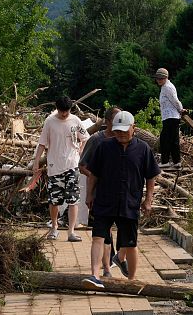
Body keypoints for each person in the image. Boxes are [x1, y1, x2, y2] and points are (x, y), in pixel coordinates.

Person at [83, 111, 161, 288]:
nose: (120, 134)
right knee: (98, 237)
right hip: (104, 200)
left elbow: (151, 178)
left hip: (130, 202)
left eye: (124, 131)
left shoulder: (143, 149)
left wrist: (148, 200)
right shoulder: (104, 146)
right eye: (117, 131)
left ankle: (132, 281)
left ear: (133, 128)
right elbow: (93, 174)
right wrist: (89, 195)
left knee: (130, 243)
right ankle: (95, 275)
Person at [34, 95, 89, 242]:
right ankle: (54, 227)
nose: (64, 114)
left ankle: (71, 231)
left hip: (72, 165)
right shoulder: (50, 121)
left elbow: (85, 138)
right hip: (54, 166)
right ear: (57, 109)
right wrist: (36, 162)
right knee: (54, 200)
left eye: (66, 111)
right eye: (61, 111)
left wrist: (80, 151)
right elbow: (42, 143)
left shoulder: (75, 120)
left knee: (73, 199)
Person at [78, 106, 122, 278]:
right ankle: (105, 268)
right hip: (99, 193)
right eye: (116, 121)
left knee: (111, 231)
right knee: (103, 232)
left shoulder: (123, 140)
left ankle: (111, 262)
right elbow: (82, 166)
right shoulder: (96, 140)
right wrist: (97, 177)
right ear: (108, 122)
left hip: (118, 194)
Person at [155, 67, 184, 167]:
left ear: (165, 78)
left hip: (171, 117)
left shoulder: (168, 87)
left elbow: (175, 100)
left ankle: (166, 162)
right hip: (168, 117)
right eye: (157, 78)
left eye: (160, 78)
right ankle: (176, 162)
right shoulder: (165, 87)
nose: (158, 80)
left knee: (166, 139)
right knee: (171, 139)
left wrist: (181, 109)